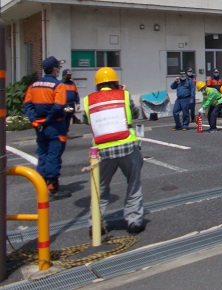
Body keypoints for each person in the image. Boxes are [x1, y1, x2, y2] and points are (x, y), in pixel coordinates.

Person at [83, 67, 145, 234]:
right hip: (127, 146)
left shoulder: (88, 100)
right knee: (133, 184)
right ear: (115, 82)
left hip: (102, 150)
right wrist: (123, 93)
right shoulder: (123, 95)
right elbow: (135, 113)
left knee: (100, 188)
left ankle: (95, 225)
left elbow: (85, 119)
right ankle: (134, 221)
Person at [24, 56, 71, 201]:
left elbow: (27, 104)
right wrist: (48, 120)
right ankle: (52, 185)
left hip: (39, 126)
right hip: (55, 125)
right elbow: (58, 105)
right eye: (58, 67)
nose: (59, 70)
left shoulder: (33, 85)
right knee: (54, 154)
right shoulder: (58, 86)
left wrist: (35, 121)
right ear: (54, 69)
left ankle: (42, 183)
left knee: (43, 152)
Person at [61, 68, 80, 134]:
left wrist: (78, 103)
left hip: (71, 104)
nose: (69, 76)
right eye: (67, 75)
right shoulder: (60, 84)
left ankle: (66, 131)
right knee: (63, 118)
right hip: (64, 104)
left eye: (70, 75)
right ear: (63, 76)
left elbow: (76, 93)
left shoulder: (72, 84)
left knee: (68, 118)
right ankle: (63, 132)